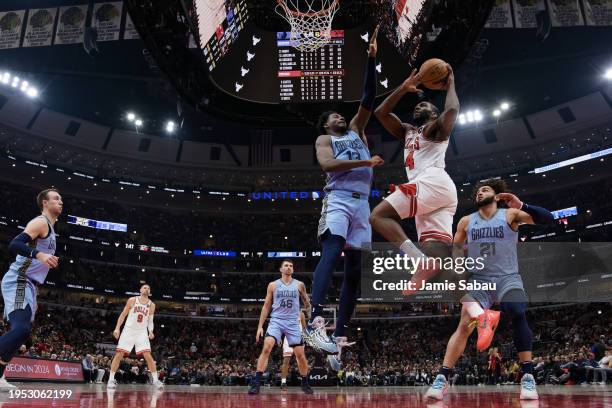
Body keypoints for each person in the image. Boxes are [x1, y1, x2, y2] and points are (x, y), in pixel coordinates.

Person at [425, 178, 553, 401]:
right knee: (464, 323)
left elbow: (548, 219)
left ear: (497, 196)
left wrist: (521, 205)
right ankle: (442, 378)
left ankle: (528, 377)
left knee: (517, 312)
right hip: (480, 279)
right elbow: (456, 249)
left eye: (485, 189)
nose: (479, 193)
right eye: (477, 191)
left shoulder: (510, 215)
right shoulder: (466, 221)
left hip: (508, 277)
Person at [305, 26, 384, 364]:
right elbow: (328, 166)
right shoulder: (326, 141)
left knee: (355, 270)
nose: (340, 115)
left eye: (341, 113)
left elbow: (368, 98)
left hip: (361, 205)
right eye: (333, 116)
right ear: (326, 125)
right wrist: (366, 160)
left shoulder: (356, 130)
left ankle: (338, 335)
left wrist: (371, 58)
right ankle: (314, 321)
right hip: (337, 199)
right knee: (332, 250)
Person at [369, 65, 459, 294]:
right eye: (418, 103)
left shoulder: (434, 130)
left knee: (377, 216)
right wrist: (403, 88)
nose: (419, 105)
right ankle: (477, 309)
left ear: (433, 114)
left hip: (431, 182)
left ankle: (419, 260)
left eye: (424, 104)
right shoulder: (409, 130)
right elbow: (381, 113)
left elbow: (452, 111)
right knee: (438, 256)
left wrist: (451, 84)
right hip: (433, 192)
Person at [0, 188, 62, 391]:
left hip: (29, 285)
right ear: (45, 202)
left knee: (21, 333)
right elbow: (15, 244)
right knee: (22, 329)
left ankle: (0, 377)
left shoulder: (52, 228)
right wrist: (39, 255)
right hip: (19, 279)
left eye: (60, 199)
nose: (60, 201)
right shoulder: (40, 222)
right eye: (56, 198)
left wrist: (45, 258)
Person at [248, 260, 312, 395]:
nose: (289, 267)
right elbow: (266, 306)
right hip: (276, 321)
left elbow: (307, 303)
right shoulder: (273, 285)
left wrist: (311, 314)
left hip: (293, 322)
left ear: (293, 270)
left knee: (300, 355)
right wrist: (260, 326)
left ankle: (305, 383)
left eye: (291, 266)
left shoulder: (300, 285)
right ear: (281, 269)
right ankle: (256, 383)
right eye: (286, 266)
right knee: (266, 348)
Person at [107, 284, 163, 389]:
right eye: (145, 287)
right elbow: (123, 314)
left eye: (148, 288)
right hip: (128, 330)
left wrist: (150, 331)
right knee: (119, 354)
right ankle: (110, 380)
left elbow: (150, 320)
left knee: (148, 356)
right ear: (140, 290)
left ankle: (155, 380)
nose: (146, 289)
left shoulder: (152, 305)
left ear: (150, 292)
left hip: (142, 332)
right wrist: (117, 328)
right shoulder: (132, 300)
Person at [279, 311, 307, 389]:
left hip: (299, 338)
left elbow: (304, 327)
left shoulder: (301, 314)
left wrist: (306, 339)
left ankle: (304, 382)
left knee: (301, 361)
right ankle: (283, 382)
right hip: (288, 338)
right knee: (286, 360)